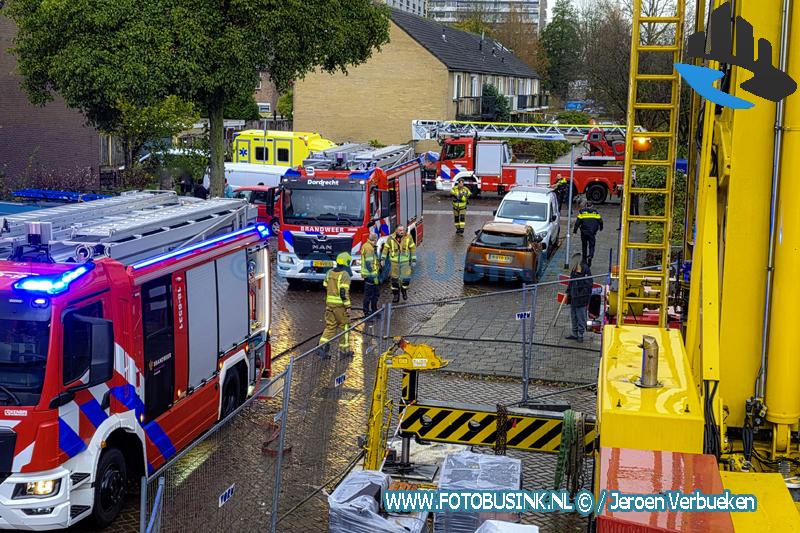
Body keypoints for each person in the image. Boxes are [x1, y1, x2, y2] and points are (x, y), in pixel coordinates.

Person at [319, 252, 353, 356]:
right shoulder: (345, 275)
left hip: (329, 305)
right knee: (345, 326)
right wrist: (348, 306)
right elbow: (343, 292)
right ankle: (344, 351)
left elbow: (325, 285)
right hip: (340, 307)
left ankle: (321, 348)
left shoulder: (329, 272)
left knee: (330, 326)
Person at [381, 225, 416, 303]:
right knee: (394, 280)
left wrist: (413, 259)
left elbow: (412, 248)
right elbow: (385, 249)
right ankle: (396, 295)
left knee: (406, 279)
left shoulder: (408, 237)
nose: (402, 232)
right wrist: (382, 259)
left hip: (405, 262)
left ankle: (404, 290)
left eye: (403, 230)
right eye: (400, 230)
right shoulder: (390, 238)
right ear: (396, 231)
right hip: (394, 263)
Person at [566, 257, 593, 343]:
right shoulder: (574, 269)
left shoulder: (585, 270)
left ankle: (580, 335)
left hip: (581, 299)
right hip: (573, 298)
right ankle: (575, 333)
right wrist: (568, 292)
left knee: (581, 317)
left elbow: (588, 284)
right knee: (574, 317)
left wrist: (582, 295)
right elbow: (571, 282)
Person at [573, 199, 603, 267]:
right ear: (592, 206)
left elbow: (577, 222)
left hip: (584, 232)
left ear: (586, 205)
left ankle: (584, 260)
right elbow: (600, 221)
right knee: (592, 245)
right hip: (592, 232)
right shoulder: (595, 212)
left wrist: (575, 231)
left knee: (584, 245)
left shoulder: (582, 212)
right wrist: (601, 228)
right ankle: (590, 256)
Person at [361, 232, 381, 315]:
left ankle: (374, 310)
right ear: (375, 239)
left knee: (375, 294)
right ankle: (367, 312)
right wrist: (374, 276)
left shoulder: (368, 246)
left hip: (372, 275)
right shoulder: (369, 248)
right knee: (369, 295)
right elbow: (369, 263)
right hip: (370, 275)